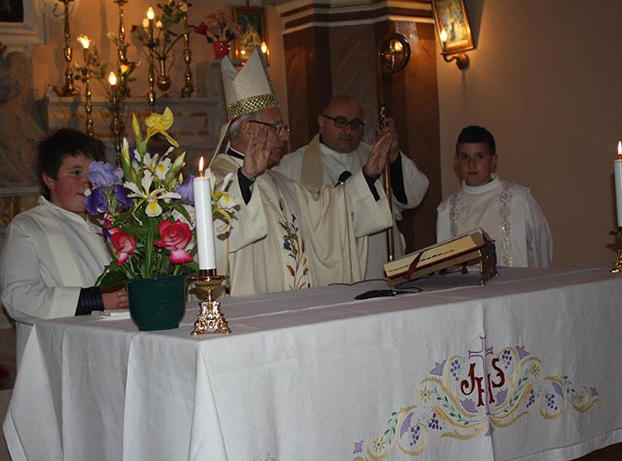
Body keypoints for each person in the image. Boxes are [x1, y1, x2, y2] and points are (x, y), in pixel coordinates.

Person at [210, 49, 394, 295]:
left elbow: (330, 212)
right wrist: (245, 180)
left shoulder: (279, 182)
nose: (285, 136)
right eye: (277, 128)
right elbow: (215, 237)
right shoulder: (215, 181)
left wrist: (368, 176)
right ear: (247, 129)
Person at [0, 129, 128, 363]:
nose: (86, 181)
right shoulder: (28, 227)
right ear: (49, 178)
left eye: (92, 173)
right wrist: (96, 300)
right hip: (60, 357)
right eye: (75, 172)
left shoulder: (107, 223)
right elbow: (16, 298)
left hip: (114, 349)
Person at [274, 96, 428, 279]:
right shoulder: (292, 167)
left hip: (376, 268)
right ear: (321, 121)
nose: (348, 130)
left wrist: (393, 156)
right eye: (340, 122)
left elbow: (412, 197)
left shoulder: (377, 156)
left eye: (356, 124)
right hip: (326, 275)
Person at [436, 125, 552, 267]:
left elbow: (541, 248)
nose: (472, 164)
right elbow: (444, 266)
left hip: (518, 286)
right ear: (456, 161)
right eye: (465, 157)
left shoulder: (519, 199)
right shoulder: (447, 209)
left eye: (480, 156)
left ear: (493, 160)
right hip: (468, 288)